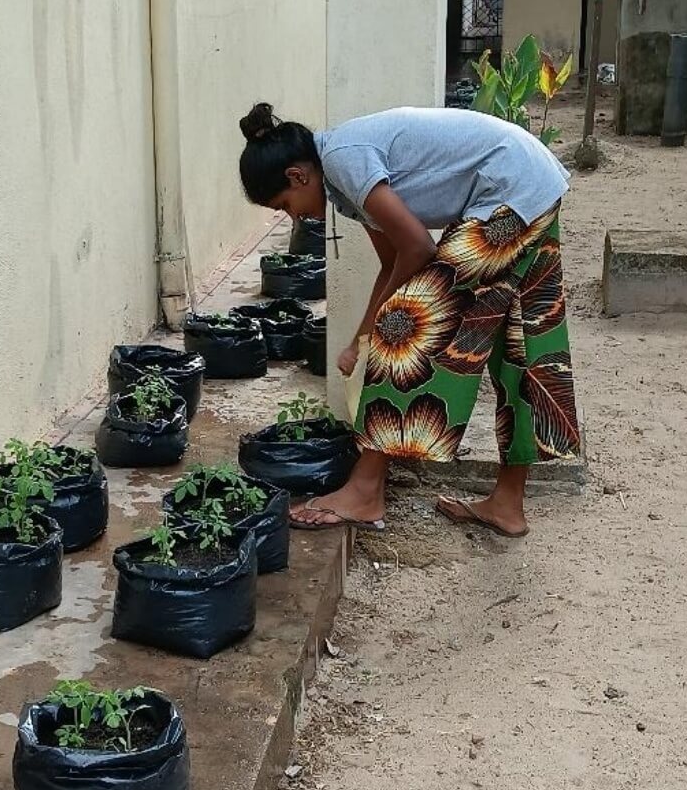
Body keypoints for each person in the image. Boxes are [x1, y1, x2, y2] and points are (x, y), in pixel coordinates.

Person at [238, 102, 580, 537]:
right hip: (531, 185)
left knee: (403, 330)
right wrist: (359, 339)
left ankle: (365, 490)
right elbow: (392, 263)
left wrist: (381, 328)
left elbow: (418, 248)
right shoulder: (343, 178)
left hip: (510, 190)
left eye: (285, 205)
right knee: (520, 339)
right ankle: (507, 503)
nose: (295, 217)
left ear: (297, 176)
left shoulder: (342, 158)